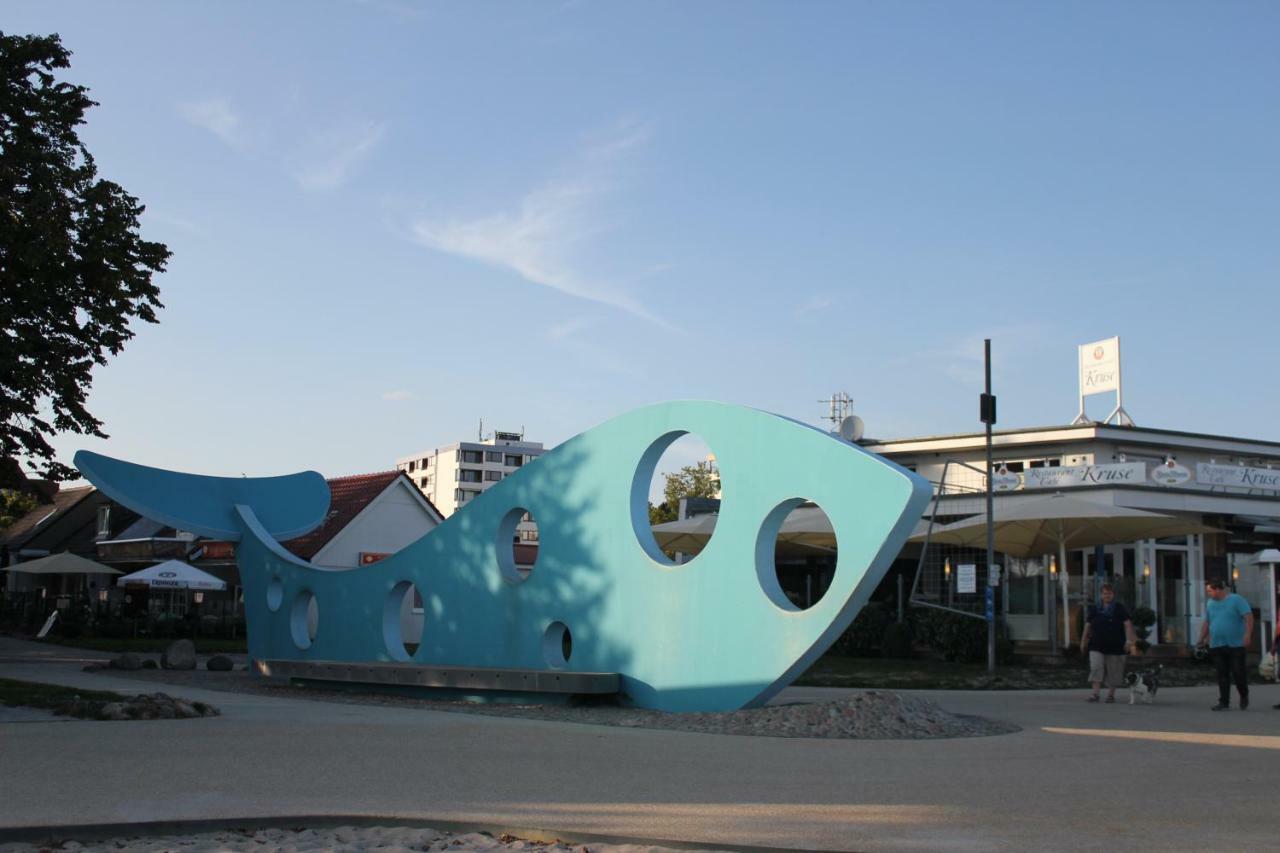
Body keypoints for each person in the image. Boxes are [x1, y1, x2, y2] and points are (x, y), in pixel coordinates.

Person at [1197, 579, 1253, 711]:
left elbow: (1248, 617)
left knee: (1238, 672)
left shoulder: (1236, 600)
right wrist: (1201, 638)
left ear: (1218, 589)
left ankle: (1243, 694)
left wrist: (1248, 634)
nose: (1208, 594)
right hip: (1216, 644)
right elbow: (1207, 622)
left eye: (1210, 591)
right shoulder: (1210, 603)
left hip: (1236, 644)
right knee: (1222, 674)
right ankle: (1224, 701)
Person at [1079, 583, 1136, 703]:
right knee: (1095, 668)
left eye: (1109, 593)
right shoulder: (1095, 608)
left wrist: (1129, 641)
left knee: (1113, 670)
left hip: (1115, 645)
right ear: (1101, 595)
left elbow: (1127, 624)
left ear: (1113, 595)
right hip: (1096, 644)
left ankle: (1111, 695)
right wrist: (1083, 640)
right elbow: (1087, 625)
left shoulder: (1119, 608)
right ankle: (1095, 694)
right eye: (1105, 593)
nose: (1107, 596)